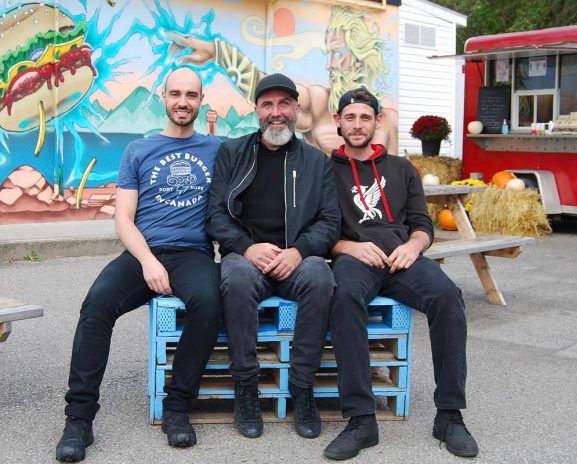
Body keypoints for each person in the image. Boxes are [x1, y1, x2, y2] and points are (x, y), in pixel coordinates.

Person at [55, 67, 223, 462]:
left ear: (201, 101)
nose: (183, 102)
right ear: (163, 97)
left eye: (191, 95)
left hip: (192, 254)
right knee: (95, 306)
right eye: (176, 94)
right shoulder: (139, 150)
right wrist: (147, 261)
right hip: (142, 252)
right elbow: (123, 219)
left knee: (210, 301)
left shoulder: (218, 150)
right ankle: (79, 418)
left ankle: (177, 407)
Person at [323, 89, 479, 460]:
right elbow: (318, 229)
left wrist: (413, 246)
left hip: (401, 258)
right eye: (350, 117)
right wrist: (348, 247)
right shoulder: (324, 171)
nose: (357, 125)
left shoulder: (402, 168)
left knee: (448, 297)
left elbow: (423, 224)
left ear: (377, 122)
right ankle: (361, 420)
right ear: (338, 122)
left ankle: (450, 415)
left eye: (365, 117)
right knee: (344, 299)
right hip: (354, 257)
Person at [205, 73, 340, 440]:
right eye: (268, 105)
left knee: (320, 277)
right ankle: (246, 389)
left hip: (296, 258)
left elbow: (330, 221)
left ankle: (302, 388)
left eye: (283, 104)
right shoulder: (232, 152)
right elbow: (215, 214)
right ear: (256, 110)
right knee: (234, 276)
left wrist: (298, 251)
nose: (275, 113)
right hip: (247, 257)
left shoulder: (316, 161)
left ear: (296, 109)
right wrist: (247, 248)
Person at [166, 6, 398, 154]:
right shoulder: (318, 102)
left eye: (337, 53)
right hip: (326, 218)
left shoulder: (389, 121)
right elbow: (268, 89)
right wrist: (219, 52)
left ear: (359, 57)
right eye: (328, 54)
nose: (329, 64)